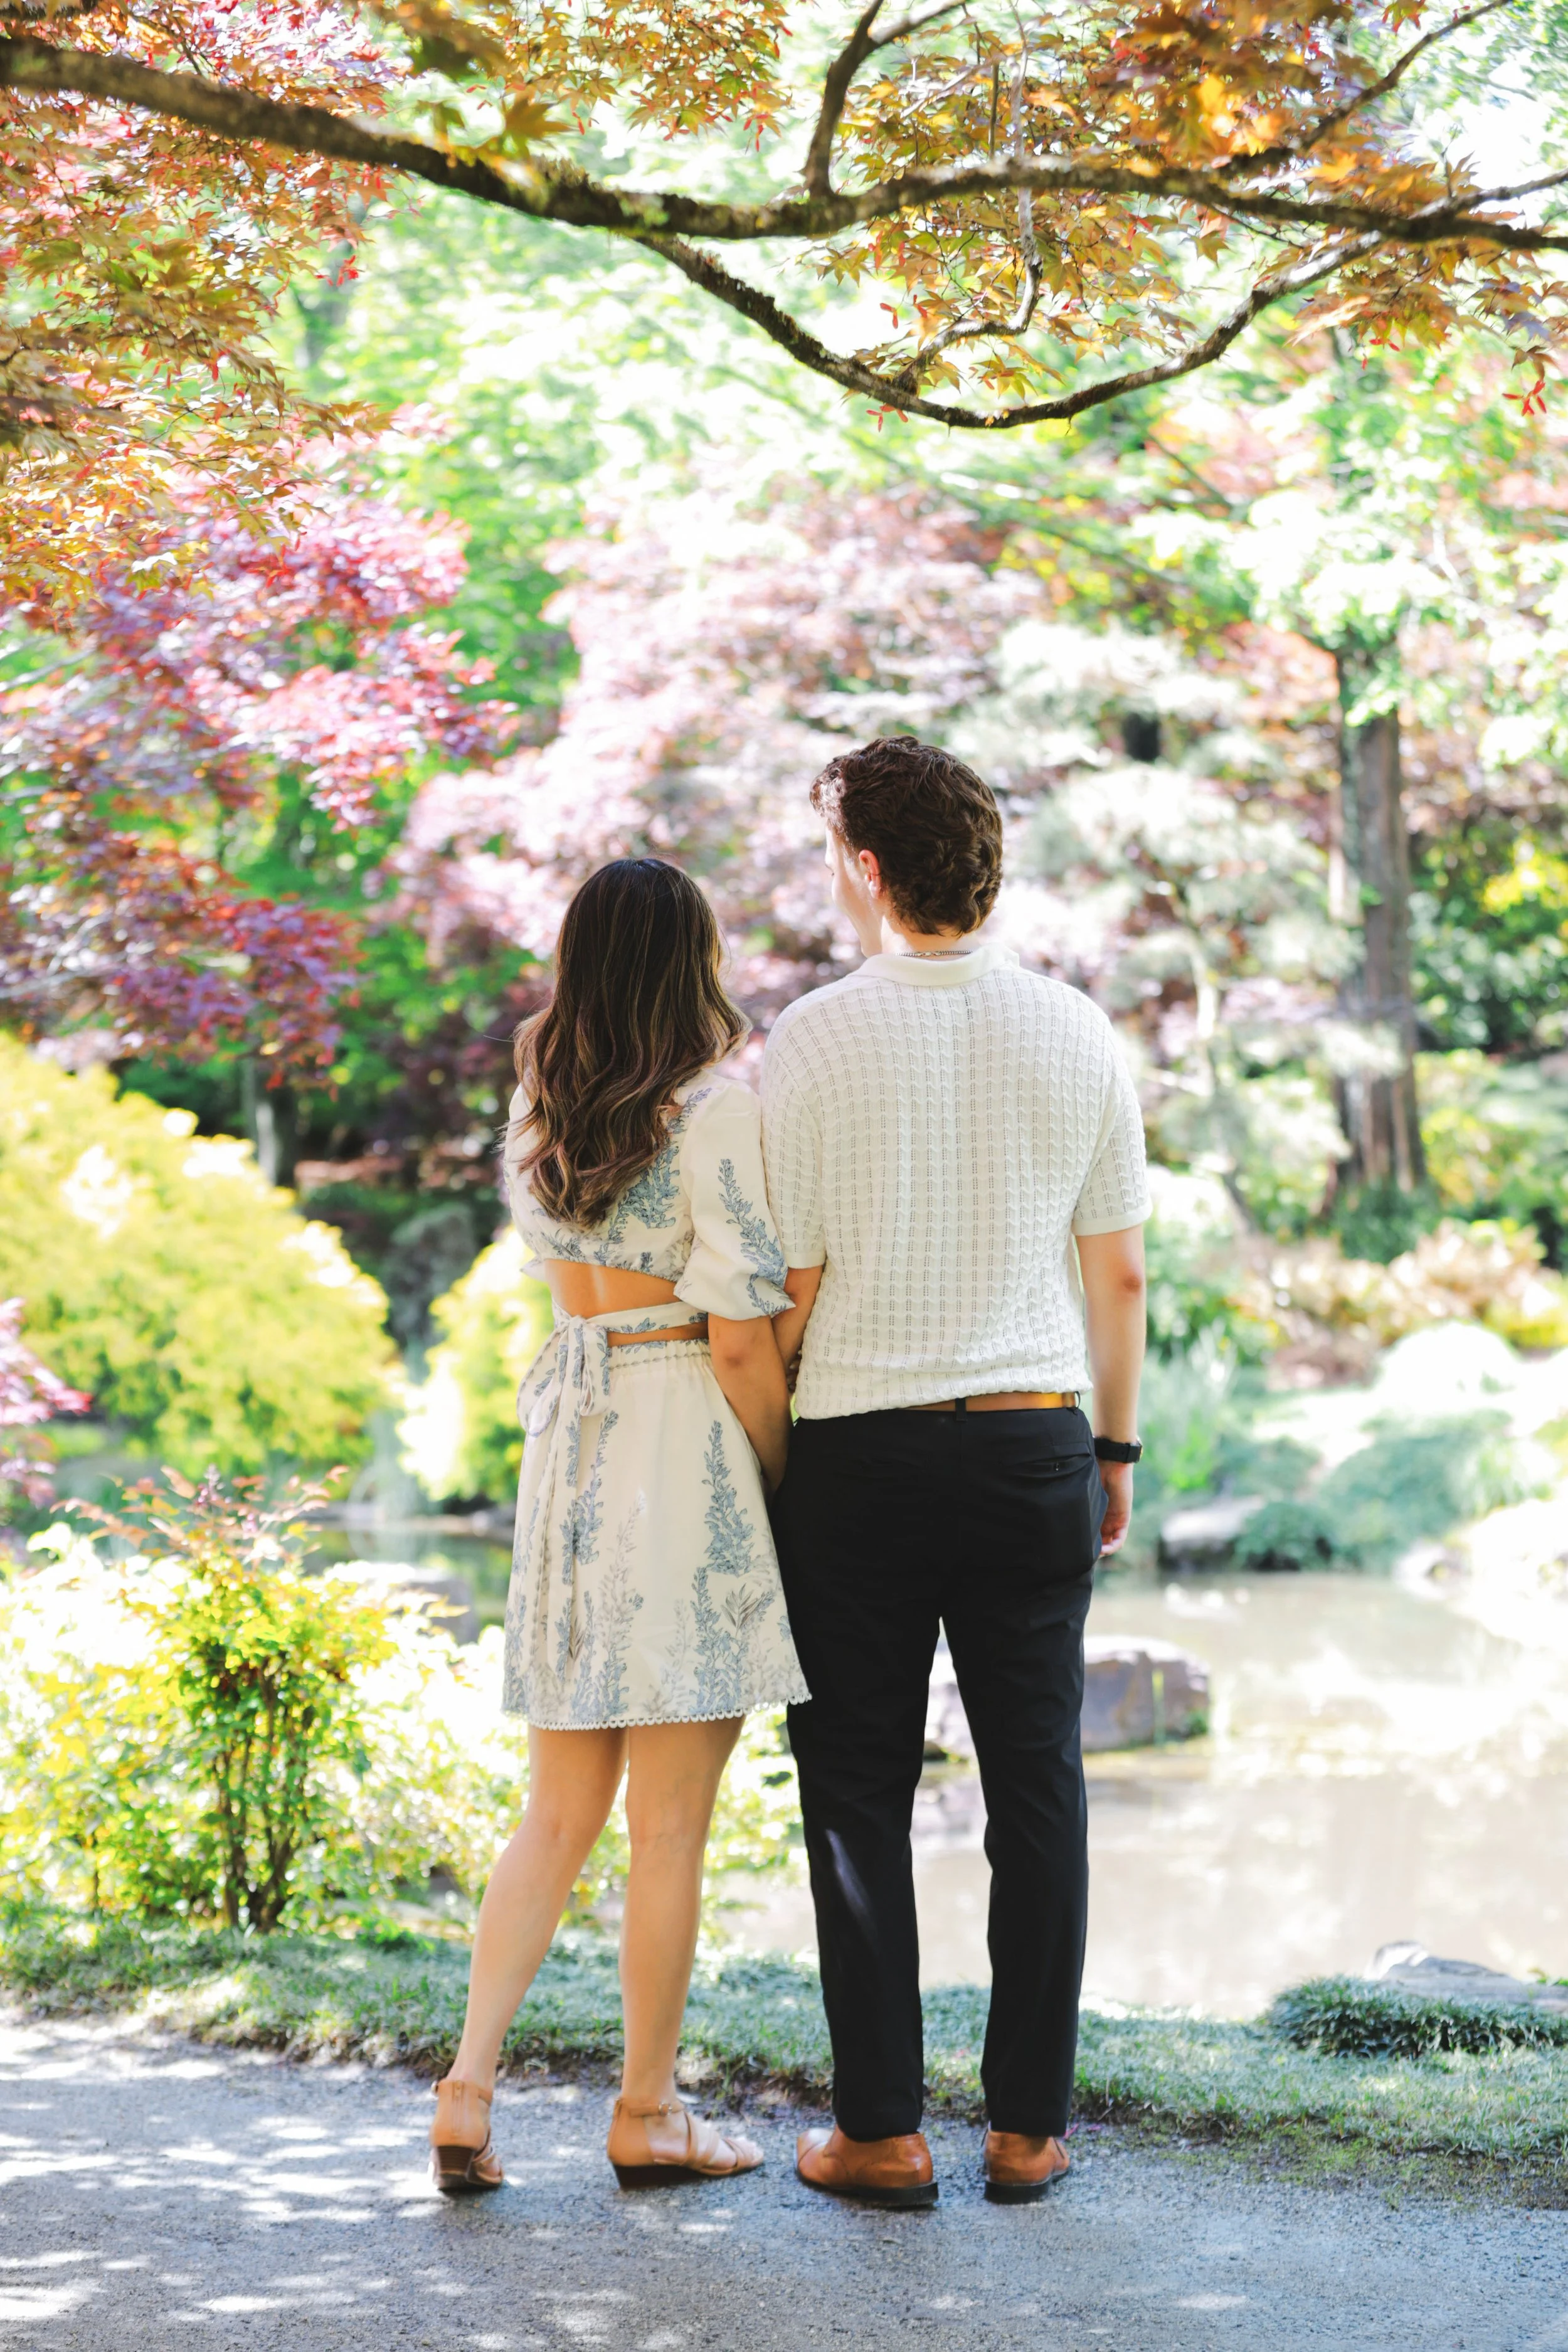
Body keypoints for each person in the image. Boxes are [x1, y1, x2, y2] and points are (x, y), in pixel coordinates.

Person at [761, 736, 1149, 2210]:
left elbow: (789, 1284)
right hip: (1035, 1439)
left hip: (856, 1453)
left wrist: (775, 1452)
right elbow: (1113, 1275)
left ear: (866, 866)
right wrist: (1109, 1447)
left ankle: (879, 2133)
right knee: (1035, 1785)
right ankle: (1026, 2130)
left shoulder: (811, 1038)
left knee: (855, 1792)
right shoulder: (1075, 1031)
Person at [430, 858, 809, 2196]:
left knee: (557, 1811)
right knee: (668, 1829)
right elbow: (746, 1342)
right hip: (675, 1429)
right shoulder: (711, 1109)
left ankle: (467, 2088)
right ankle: (644, 2112)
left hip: (568, 1438)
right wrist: (773, 1480)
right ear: (691, 960)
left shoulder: (538, 1102)